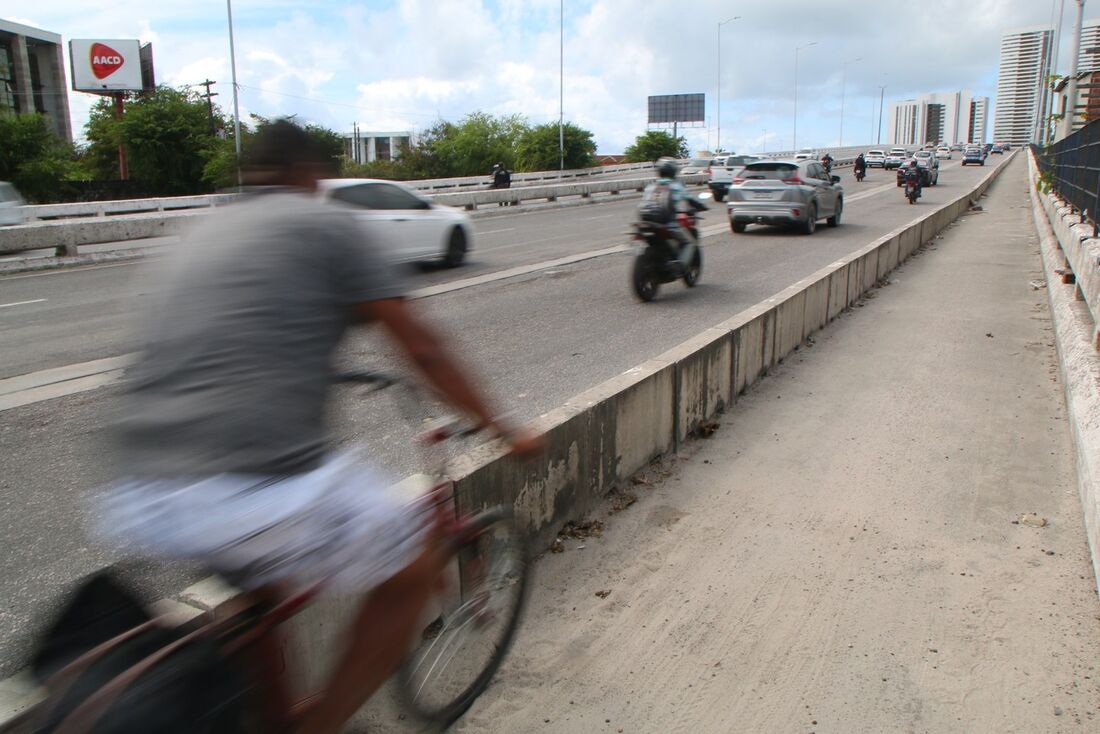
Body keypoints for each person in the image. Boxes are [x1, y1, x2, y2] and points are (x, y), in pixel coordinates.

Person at [95, 119, 540, 734]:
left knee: (264, 592)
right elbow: (423, 350)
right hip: (249, 491)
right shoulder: (328, 222)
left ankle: (267, 709)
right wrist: (503, 427)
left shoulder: (202, 230)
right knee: (413, 566)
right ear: (313, 176)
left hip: (137, 489)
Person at [644, 157, 708, 275]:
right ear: (674, 172)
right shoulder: (676, 186)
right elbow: (690, 199)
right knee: (689, 243)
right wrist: (703, 206)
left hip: (647, 224)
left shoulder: (650, 187)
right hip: (668, 225)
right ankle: (679, 266)